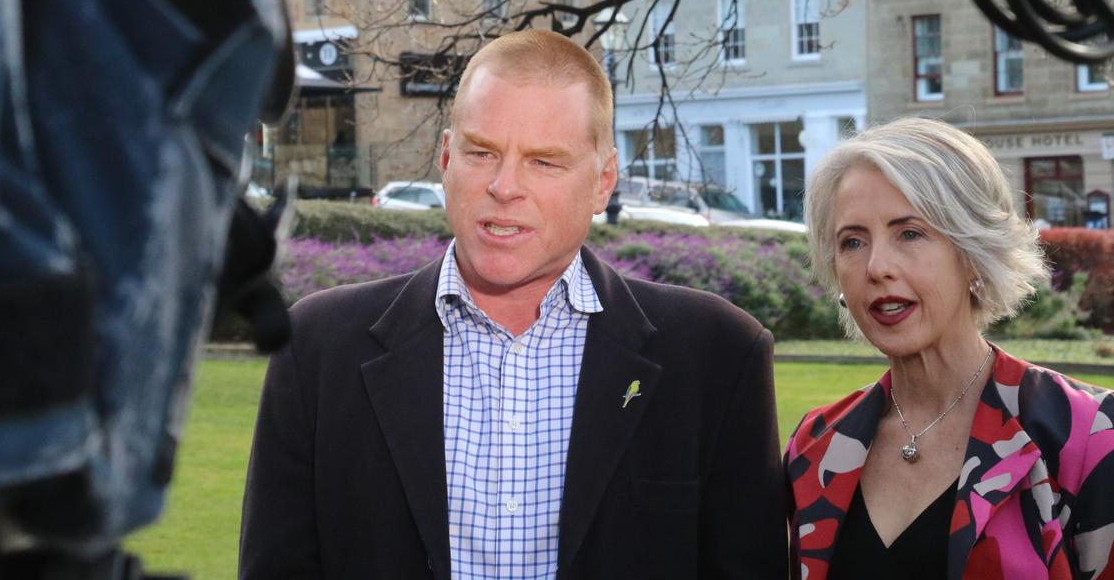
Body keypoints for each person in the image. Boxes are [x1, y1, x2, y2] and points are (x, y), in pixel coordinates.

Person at [240, 29, 787, 579]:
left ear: (603, 182)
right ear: (447, 157)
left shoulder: (716, 355)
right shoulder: (317, 348)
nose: (505, 186)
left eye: (544, 162)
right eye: (482, 153)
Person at [785, 117, 1114, 579]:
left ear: (973, 254)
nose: (876, 266)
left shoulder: (1092, 436)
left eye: (910, 233)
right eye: (852, 241)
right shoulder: (816, 444)